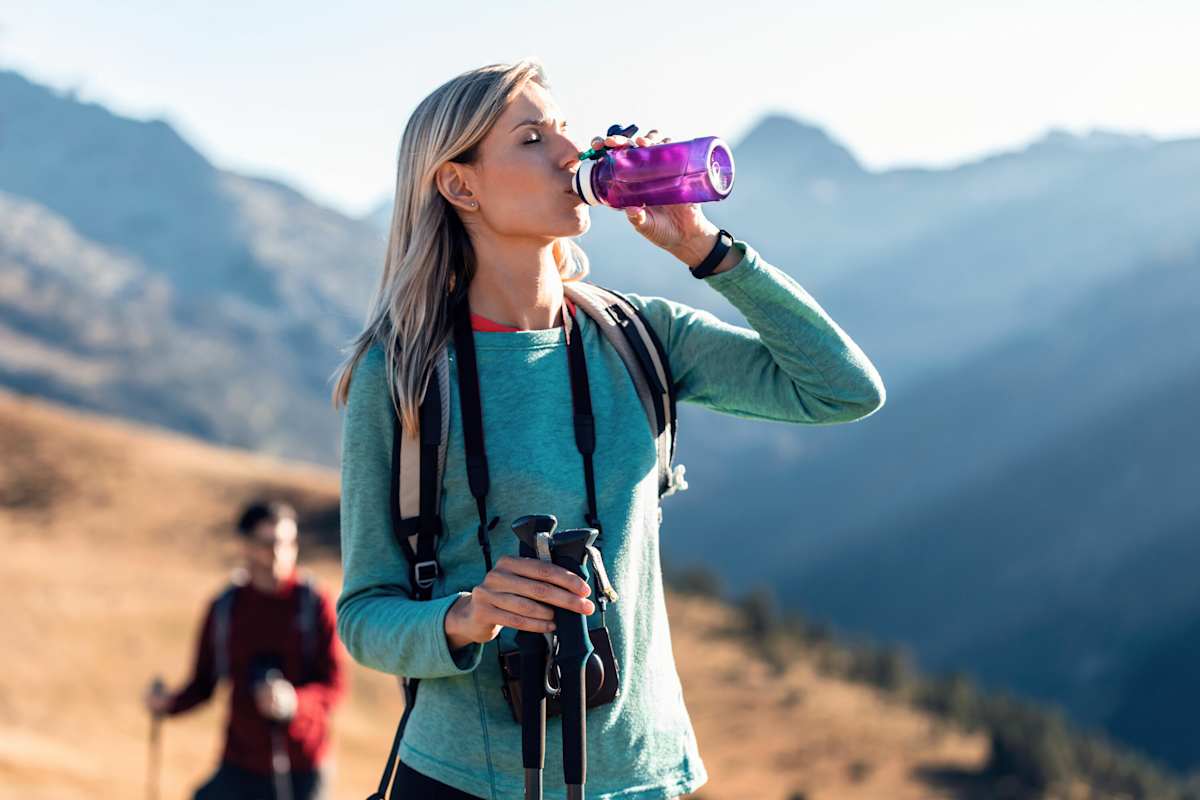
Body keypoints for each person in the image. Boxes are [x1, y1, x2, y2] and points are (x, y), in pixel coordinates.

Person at [333, 59, 885, 800]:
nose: (571, 153)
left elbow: (843, 390)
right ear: (460, 185)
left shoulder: (639, 337)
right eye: (533, 138)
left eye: (566, 129)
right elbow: (365, 614)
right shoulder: (402, 374)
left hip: (644, 774)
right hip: (465, 779)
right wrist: (468, 615)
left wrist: (704, 248)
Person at [144, 501, 345, 800]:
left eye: (288, 543)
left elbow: (334, 687)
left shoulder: (315, 603)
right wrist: (168, 704)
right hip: (239, 764)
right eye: (268, 543)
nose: (279, 553)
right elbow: (203, 684)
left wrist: (293, 703)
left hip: (301, 766)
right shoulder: (226, 608)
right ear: (246, 546)